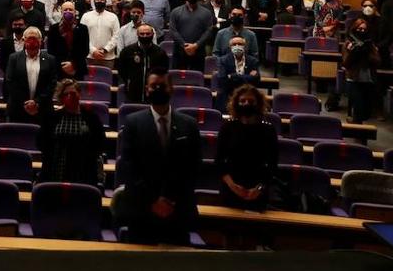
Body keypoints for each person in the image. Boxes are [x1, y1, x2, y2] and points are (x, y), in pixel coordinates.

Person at [112, 71, 201, 245]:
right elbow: (129, 167)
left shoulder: (189, 124)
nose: (158, 89)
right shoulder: (133, 122)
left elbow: (193, 167)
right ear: (147, 90)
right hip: (142, 211)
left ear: (171, 89)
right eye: (154, 86)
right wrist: (152, 201)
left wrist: (171, 200)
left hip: (177, 210)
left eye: (162, 86)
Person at [216, 84, 278, 211]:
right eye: (242, 101)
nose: (246, 104)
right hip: (231, 188)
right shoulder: (227, 127)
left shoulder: (268, 129)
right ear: (236, 103)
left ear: (258, 103)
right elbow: (219, 161)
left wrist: (259, 188)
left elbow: (273, 165)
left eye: (251, 101)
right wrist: (232, 185)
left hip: (257, 190)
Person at [38, 79, 106, 185]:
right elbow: (41, 143)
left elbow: (100, 143)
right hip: (56, 168)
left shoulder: (92, 118)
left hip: (84, 169)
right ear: (61, 97)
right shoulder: (51, 117)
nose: (70, 96)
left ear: (79, 94)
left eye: (73, 93)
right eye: (66, 94)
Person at [4, 27, 57, 124]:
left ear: (41, 41)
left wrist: (37, 102)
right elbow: (10, 81)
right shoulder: (14, 58)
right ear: (24, 40)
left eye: (35, 38)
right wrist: (26, 103)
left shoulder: (50, 59)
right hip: (18, 108)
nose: (32, 41)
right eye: (29, 38)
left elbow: (52, 83)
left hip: (42, 109)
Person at [117, 24, 169, 103]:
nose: (145, 36)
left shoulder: (160, 53)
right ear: (137, 34)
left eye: (148, 34)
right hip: (133, 92)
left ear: (153, 34)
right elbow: (122, 70)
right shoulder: (127, 51)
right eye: (142, 34)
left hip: (153, 93)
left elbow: (164, 72)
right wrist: (129, 82)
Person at [342, 19, 381, 124]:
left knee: (366, 112)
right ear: (354, 29)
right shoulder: (348, 44)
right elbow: (346, 63)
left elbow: (377, 61)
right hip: (353, 79)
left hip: (368, 80)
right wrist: (353, 52)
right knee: (358, 108)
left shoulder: (370, 44)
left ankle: (355, 123)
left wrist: (367, 52)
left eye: (364, 29)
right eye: (359, 29)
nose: (362, 31)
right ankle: (357, 130)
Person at [168, 0, 215, 70]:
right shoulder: (176, 11)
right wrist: (184, 45)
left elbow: (208, 31)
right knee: (178, 78)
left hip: (199, 51)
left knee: (197, 78)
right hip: (180, 51)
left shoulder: (206, 13)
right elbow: (173, 30)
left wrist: (196, 45)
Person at [215, 36, 261, 112]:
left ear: (245, 46)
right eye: (234, 44)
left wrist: (233, 76)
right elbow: (222, 80)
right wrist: (247, 77)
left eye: (240, 44)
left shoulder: (253, 61)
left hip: (247, 98)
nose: (237, 46)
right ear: (230, 47)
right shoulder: (222, 60)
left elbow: (256, 80)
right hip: (227, 96)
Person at [46, 2, 88, 80]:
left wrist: (73, 64)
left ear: (75, 12)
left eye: (70, 10)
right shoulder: (53, 29)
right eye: (65, 10)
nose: (68, 11)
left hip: (77, 70)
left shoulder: (83, 28)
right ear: (61, 12)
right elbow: (50, 51)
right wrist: (63, 65)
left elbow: (85, 51)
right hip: (59, 70)